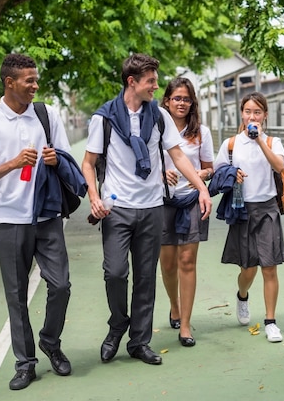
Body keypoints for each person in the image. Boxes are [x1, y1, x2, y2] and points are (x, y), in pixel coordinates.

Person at [81, 53, 212, 365]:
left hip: (152, 207)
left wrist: (203, 186)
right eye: (151, 81)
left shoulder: (159, 116)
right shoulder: (105, 118)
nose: (156, 86)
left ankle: (139, 342)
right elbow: (88, 163)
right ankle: (117, 326)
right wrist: (93, 196)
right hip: (117, 208)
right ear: (132, 82)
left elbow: (178, 155)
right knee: (115, 273)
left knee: (145, 277)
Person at [0, 54, 79, 390]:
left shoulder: (46, 115)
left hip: (47, 215)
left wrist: (56, 158)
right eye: (28, 80)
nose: (35, 85)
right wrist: (14, 163)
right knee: (16, 295)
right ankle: (25, 363)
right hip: (9, 219)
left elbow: (67, 158)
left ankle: (50, 342)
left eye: (35, 79)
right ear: (9, 82)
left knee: (61, 285)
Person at [211, 92, 284, 343]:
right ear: (241, 114)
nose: (252, 116)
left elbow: (279, 166)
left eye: (257, 112)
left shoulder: (273, 142)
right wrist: (233, 174)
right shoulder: (231, 144)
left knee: (269, 267)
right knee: (248, 268)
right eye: (247, 111)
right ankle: (242, 295)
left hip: (267, 209)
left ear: (265, 115)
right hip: (242, 208)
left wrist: (260, 141)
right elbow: (219, 171)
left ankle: (270, 321)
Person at [159, 77, 215, 347]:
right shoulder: (155, 128)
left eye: (186, 99)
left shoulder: (201, 132)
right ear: (167, 101)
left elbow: (209, 169)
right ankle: (174, 304)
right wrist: (162, 173)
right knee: (168, 263)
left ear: (192, 103)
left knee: (187, 261)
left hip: (192, 200)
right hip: (161, 202)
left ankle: (186, 324)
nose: (181, 103)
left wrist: (197, 175)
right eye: (176, 98)